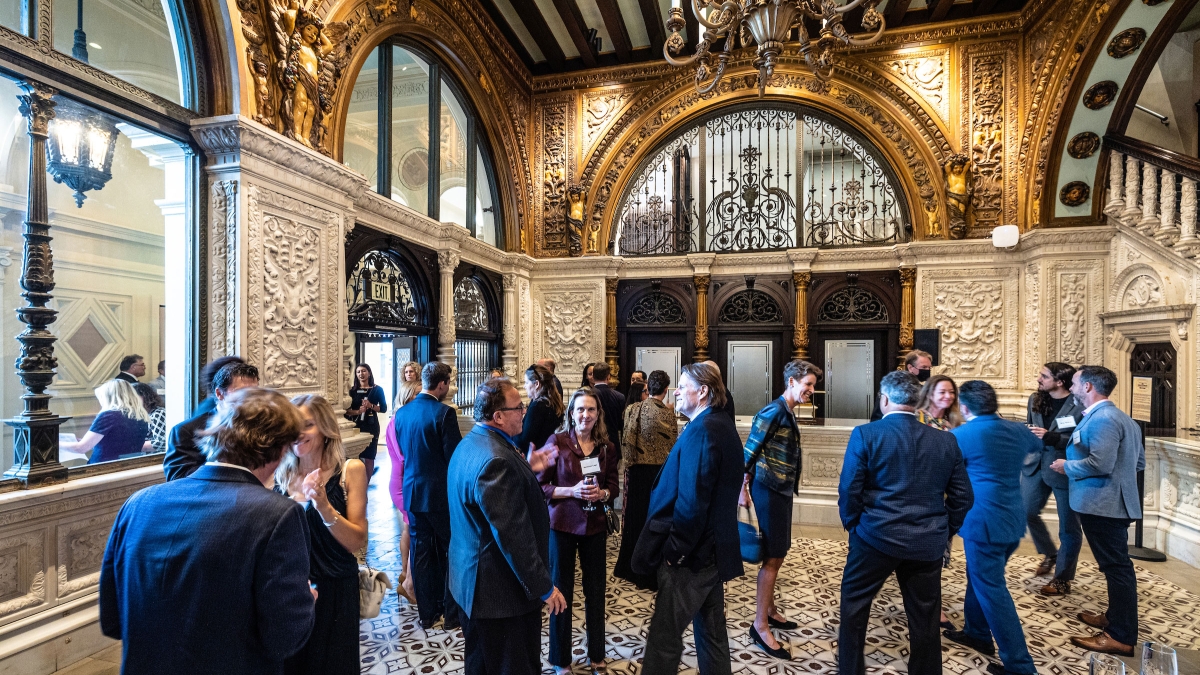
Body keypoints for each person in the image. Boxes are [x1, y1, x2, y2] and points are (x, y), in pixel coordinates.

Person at [99, 388, 315, 675]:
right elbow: (284, 637)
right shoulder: (277, 514)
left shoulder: (139, 503)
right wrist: (306, 602)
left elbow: (113, 621)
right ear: (279, 448)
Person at [837, 370, 972, 675]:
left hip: (874, 536)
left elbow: (849, 489)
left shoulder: (866, 434)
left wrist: (854, 525)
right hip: (927, 542)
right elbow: (963, 498)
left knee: (854, 607)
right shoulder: (946, 441)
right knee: (925, 617)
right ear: (917, 401)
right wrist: (944, 528)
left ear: (884, 400)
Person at [448, 378, 567, 675]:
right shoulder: (496, 460)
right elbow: (513, 536)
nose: (524, 412)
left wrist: (527, 466)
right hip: (500, 596)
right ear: (498, 416)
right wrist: (544, 587)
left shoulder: (473, 443)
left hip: (472, 586)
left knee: (481, 663)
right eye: (518, 407)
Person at [634, 363, 743, 675]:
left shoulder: (704, 430)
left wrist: (676, 551)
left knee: (663, 640)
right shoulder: (720, 423)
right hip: (710, 552)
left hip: (691, 559)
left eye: (683, 386)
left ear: (704, 391)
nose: (677, 392)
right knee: (712, 635)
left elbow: (693, 501)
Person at [945, 381, 1040, 675]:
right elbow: (1038, 446)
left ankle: (1020, 666)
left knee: (992, 590)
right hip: (1012, 516)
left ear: (964, 407)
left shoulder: (961, 435)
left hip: (982, 520)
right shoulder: (1018, 431)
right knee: (981, 577)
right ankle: (977, 633)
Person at [1050, 366, 1144, 657]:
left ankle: (1120, 635)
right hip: (1110, 502)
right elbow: (1137, 464)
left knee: (1117, 569)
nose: (1072, 386)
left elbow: (1099, 464)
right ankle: (1114, 618)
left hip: (1103, 505)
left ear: (1088, 387)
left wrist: (1067, 467)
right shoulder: (1122, 418)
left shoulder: (1102, 419)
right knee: (1114, 566)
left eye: (1076, 382)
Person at [276, 395, 368, 675]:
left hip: (335, 589)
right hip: (290, 589)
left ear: (325, 429)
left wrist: (325, 507)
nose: (298, 434)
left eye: (307, 425)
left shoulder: (350, 471)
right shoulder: (276, 476)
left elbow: (357, 540)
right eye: (292, 425)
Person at [740, 359, 820, 659]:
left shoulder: (786, 410)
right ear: (791, 382)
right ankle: (760, 625)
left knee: (779, 553)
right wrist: (742, 489)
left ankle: (770, 610)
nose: (811, 390)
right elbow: (749, 451)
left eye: (813, 385)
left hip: (780, 491)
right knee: (773, 557)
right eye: (807, 384)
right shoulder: (774, 410)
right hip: (769, 492)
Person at [539, 388, 620, 675]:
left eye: (591, 410)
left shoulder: (607, 447)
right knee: (560, 591)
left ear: (598, 415)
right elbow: (541, 486)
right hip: (561, 525)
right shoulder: (557, 442)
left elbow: (614, 487)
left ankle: (597, 654)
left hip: (595, 526)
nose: (586, 415)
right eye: (581, 410)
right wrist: (571, 491)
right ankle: (561, 659)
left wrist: (603, 493)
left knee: (596, 591)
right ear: (571, 414)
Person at [394, 362, 463, 630]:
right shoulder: (444, 414)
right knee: (451, 551)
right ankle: (452, 613)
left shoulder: (402, 414)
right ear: (442, 384)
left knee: (420, 554)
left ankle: (427, 614)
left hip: (412, 492)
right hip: (439, 496)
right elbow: (454, 459)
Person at [1025, 362, 1084, 595]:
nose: (1039, 379)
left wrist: (1053, 438)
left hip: (1063, 468)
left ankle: (1062, 579)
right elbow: (1030, 425)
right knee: (1026, 511)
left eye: (1044, 376)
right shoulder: (1034, 399)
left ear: (1060, 381)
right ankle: (1051, 553)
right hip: (1034, 465)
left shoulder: (1079, 404)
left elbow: (1082, 440)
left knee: (1069, 527)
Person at [614, 369, 677, 590]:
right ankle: (651, 567)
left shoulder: (633, 408)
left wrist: (629, 465)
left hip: (637, 471)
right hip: (659, 473)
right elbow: (672, 447)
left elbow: (627, 439)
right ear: (666, 389)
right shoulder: (668, 413)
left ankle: (629, 566)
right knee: (655, 520)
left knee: (634, 518)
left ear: (647, 387)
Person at [164, 360, 259, 481]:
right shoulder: (185, 431)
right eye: (241, 392)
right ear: (219, 393)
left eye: (255, 393)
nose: (250, 398)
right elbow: (178, 480)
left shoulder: (262, 424)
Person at [385, 377, 423, 605]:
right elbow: (403, 455)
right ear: (409, 397)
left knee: (409, 527)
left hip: (403, 479)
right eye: (418, 396)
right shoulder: (399, 420)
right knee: (415, 528)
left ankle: (405, 573)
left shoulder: (401, 418)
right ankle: (409, 582)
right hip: (403, 482)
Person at [63, 379, 152, 464]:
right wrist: (90, 440)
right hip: (131, 465)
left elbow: (81, 448)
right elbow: (119, 443)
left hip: (103, 467)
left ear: (107, 397)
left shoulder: (108, 415)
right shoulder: (140, 415)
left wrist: (57, 444)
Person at [347, 363, 387, 479]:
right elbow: (346, 411)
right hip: (355, 425)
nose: (361, 374)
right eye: (358, 372)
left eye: (364, 371)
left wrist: (371, 406)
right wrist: (357, 412)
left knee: (369, 456)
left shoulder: (378, 390)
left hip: (371, 425)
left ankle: (366, 483)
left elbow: (383, 409)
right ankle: (355, 482)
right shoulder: (351, 391)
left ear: (369, 373)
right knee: (355, 455)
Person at [870, 350, 933, 421]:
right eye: (924, 367)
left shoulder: (924, 389)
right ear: (910, 368)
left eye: (929, 368)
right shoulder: (892, 387)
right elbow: (877, 416)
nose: (928, 370)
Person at [516, 364, 565, 452]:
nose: (524, 386)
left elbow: (525, 442)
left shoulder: (538, 406)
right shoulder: (552, 401)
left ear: (537, 384)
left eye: (526, 382)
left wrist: (511, 432)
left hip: (538, 457)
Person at [590, 362, 625, 458]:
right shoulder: (620, 397)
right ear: (608, 377)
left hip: (591, 441)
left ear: (593, 376)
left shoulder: (587, 395)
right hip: (613, 442)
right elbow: (621, 423)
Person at [134, 383, 167, 454]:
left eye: (134, 397)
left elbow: (162, 443)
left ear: (145, 396)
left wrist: (135, 446)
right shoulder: (142, 414)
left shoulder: (158, 413)